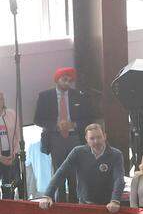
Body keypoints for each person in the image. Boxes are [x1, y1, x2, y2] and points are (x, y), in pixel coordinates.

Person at [34, 67, 96, 202]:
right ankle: (60, 203)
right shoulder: (45, 96)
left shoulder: (79, 95)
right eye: (64, 79)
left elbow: (89, 118)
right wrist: (56, 126)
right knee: (59, 172)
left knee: (74, 173)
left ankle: (74, 203)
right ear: (57, 80)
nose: (67, 83)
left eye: (69, 80)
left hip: (74, 137)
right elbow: (37, 119)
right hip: (55, 137)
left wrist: (73, 124)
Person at [39, 122, 124, 211]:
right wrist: (47, 195)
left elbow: (119, 179)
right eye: (92, 138)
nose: (96, 141)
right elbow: (61, 173)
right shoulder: (77, 152)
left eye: (99, 137)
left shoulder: (116, 155)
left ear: (105, 136)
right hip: (84, 205)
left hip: (107, 206)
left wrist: (115, 200)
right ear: (86, 139)